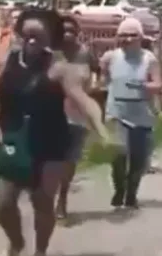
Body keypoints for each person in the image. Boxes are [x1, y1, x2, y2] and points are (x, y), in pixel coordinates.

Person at [0, 8, 110, 256]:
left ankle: (40, 250)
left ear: (50, 39)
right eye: (27, 35)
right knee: (1, 204)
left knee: (42, 203)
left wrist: (101, 128)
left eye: (38, 37)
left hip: (50, 144)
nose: (31, 41)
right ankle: (17, 241)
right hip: (10, 140)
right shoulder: (4, 64)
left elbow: (83, 100)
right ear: (20, 34)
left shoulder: (59, 68)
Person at [99, 18, 162, 209]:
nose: (127, 39)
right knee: (119, 155)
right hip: (117, 112)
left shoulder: (148, 59)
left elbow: (158, 84)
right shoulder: (110, 58)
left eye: (132, 35)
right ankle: (119, 189)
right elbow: (104, 81)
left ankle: (131, 194)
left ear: (140, 37)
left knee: (138, 158)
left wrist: (145, 86)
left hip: (141, 112)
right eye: (123, 35)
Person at [56, 15, 99, 221]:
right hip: (50, 115)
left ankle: (62, 198)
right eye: (63, 30)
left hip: (77, 116)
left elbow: (98, 76)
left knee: (70, 161)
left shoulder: (85, 55)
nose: (67, 34)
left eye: (71, 30)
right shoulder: (50, 54)